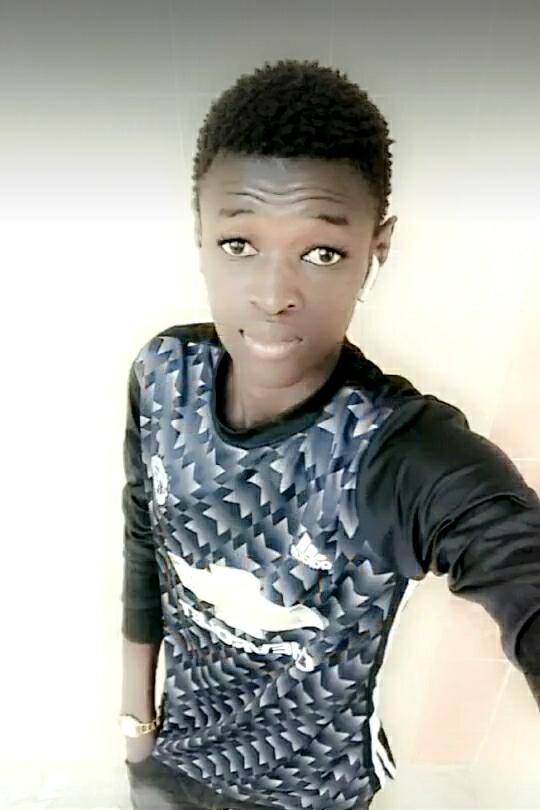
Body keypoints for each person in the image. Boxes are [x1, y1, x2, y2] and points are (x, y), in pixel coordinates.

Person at [118, 58, 540, 810]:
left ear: (377, 247)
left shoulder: (397, 454)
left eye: (322, 252)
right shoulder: (164, 376)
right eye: (239, 244)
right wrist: (137, 736)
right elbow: (145, 545)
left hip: (313, 788)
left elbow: (516, 560)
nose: (274, 295)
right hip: (179, 756)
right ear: (200, 233)